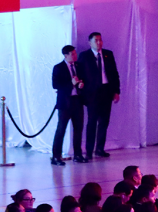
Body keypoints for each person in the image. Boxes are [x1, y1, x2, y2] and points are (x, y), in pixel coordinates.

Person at [77, 31, 121, 159]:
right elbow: (80, 74)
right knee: (92, 122)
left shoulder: (108, 54)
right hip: (92, 94)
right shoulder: (84, 56)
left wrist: (116, 91)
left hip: (106, 91)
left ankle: (100, 149)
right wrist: (83, 91)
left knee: (104, 122)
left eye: (100, 40)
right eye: (95, 40)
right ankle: (89, 150)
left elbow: (114, 74)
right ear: (90, 42)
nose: (98, 42)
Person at [51, 44, 86, 165]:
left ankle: (78, 154)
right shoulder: (58, 67)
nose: (75, 55)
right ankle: (56, 156)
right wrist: (71, 83)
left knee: (78, 129)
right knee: (61, 130)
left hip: (77, 101)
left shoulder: (79, 66)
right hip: (65, 103)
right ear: (66, 55)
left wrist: (81, 85)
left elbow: (83, 79)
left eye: (75, 53)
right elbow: (55, 85)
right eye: (72, 54)